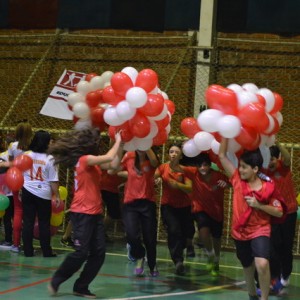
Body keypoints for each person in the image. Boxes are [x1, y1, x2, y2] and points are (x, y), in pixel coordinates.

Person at [47, 127, 122, 298]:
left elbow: (114, 165)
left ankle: (81, 286)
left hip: (94, 213)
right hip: (81, 213)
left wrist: (122, 144)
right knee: (81, 252)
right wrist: (117, 141)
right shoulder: (84, 159)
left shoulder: (93, 163)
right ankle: (57, 279)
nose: (99, 144)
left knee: (99, 254)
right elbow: (110, 156)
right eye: (97, 142)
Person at [218, 137, 284, 300]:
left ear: (255, 169)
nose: (240, 170)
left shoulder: (268, 187)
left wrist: (259, 205)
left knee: (262, 264)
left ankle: (264, 298)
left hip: (260, 229)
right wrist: (226, 134)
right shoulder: (236, 180)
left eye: (244, 167)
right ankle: (252, 294)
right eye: (240, 166)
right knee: (247, 266)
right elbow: (221, 156)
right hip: (239, 231)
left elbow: (279, 212)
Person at [178, 152, 229, 276]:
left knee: (216, 238)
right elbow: (176, 167)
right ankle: (210, 254)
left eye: (205, 165)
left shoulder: (218, 175)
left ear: (210, 165)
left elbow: (234, 183)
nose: (202, 168)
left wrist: (227, 184)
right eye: (200, 166)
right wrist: (178, 153)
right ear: (196, 166)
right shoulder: (193, 173)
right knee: (203, 232)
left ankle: (216, 260)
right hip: (200, 209)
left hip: (217, 211)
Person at [117, 148, 159, 277]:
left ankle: (152, 264)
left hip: (147, 202)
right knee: (131, 235)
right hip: (130, 203)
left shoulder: (150, 157)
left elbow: (155, 163)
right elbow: (117, 170)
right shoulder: (129, 155)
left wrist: (147, 147)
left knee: (150, 238)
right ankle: (140, 256)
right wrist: (130, 174)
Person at [263, 142, 298, 295]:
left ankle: (286, 274)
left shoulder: (283, 167)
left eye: (272, 159)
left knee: (286, 246)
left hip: (289, 212)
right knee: (273, 246)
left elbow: (288, 157)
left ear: (276, 158)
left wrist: (277, 143)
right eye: (267, 158)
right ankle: (275, 277)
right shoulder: (263, 172)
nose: (270, 162)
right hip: (273, 214)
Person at [155, 143, 193, 275]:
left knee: (184, 233)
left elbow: (190, 188)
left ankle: (186, 246)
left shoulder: (184, 170)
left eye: (176, 152)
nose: (173, 154)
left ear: (181, 155)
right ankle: (178, 261)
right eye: (171, 151)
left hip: (184, 206)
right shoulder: (162, 167)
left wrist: (177, 185)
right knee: (173, 230)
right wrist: (158, 179)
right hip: (168, 205)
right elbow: (152, 177)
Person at [22, 130, 59, 257]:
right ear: (45, 142)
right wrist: (57, 195)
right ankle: (46, 251)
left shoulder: (26, 155)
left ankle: (27, 251)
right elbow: (53, 180)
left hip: (27, 190)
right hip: (43, 193)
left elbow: (19, 172)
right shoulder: (49, 159)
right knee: (44, 223)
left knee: (28, 221)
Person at [8, 122, 33, 253]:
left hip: (16, 180)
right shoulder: (33, 148)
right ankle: (28, 243)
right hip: (30, 182)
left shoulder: (12, 146)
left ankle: (16, 244)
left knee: (18, 211)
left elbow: (11, 163)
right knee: (30, 213)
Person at [101, 169, 125, 242]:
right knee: (113, 213)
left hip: (110, 188)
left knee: (114, 213)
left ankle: (100, 232)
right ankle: (99, 233)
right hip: (108, 188)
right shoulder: (114, 160)